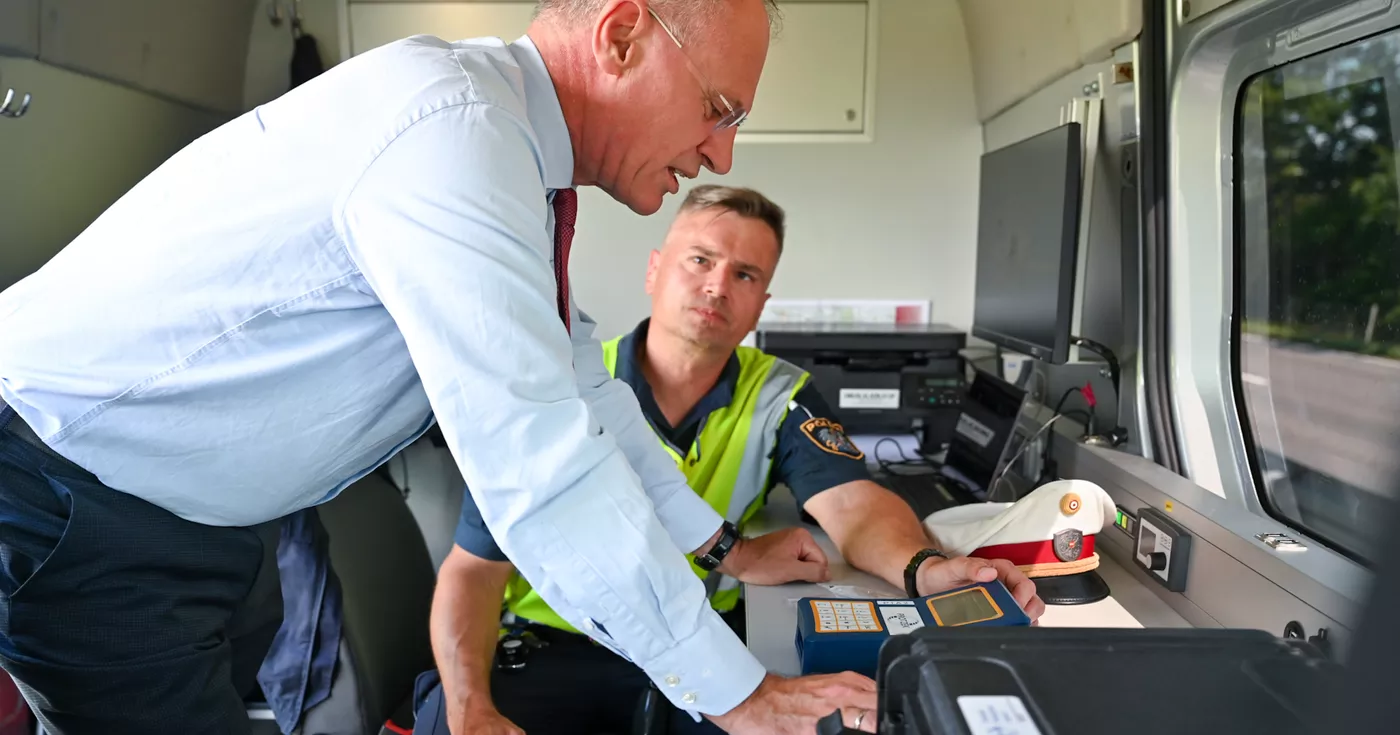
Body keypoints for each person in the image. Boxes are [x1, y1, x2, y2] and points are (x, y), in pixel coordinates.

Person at [0, 2, 878, 733]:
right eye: (718, 108)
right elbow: (545, 470)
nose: (720, 154)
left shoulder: (513, 164)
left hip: (194, 516)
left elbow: (587, 401)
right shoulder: (452, 133)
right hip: (80, 495)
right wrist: (741, 695)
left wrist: (724, 548)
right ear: (620, 36)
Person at [412, 185, 1047, 735]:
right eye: (700, 260)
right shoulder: (563, 385)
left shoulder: (780, 393)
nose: (718, 285)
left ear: (762, 303)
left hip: (702, 645)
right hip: (553, 648)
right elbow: (472, 573)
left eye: (745, 274)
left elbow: (853, 506)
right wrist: (468, 704)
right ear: (655, 271)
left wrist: (924, 569)